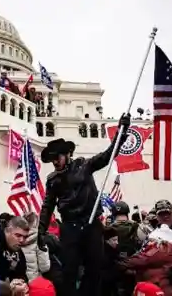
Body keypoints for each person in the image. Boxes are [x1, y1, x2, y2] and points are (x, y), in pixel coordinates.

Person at [37, 114, 131, 296]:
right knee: (69, 271)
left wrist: (122, 132)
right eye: (52, 159)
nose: (55, 162)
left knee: (95, 269)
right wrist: (41, 231)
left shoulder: (84, 165)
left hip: (91, 225)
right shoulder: (52, 180)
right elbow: (47, 206)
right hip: (70, 228)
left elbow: (107, 156)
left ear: (67, 155)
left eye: (57, 157)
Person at [0, 216, 30, 296]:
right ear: (7, 231)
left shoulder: (18, 251)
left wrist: (19, 282)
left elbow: (21, 273)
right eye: (18, 235)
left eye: (25, 237)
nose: (22, 240)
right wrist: (9, 287)